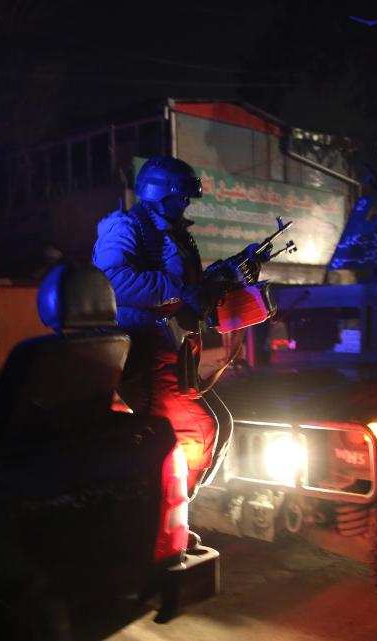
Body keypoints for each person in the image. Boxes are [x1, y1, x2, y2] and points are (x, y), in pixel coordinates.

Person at [92, 156, 234, 502]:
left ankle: (175, 513)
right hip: (146, 350)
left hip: (175, 350)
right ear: (158, 193)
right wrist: (179, 288)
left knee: (221, 424)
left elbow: (186, 285)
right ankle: (165, 519)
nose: (185, 203)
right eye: (179, 196)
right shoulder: (125, 226)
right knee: (196, 430)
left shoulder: (172, 233)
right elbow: (113, 281)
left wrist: (222, 280)